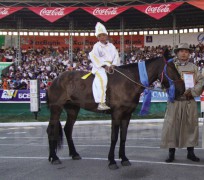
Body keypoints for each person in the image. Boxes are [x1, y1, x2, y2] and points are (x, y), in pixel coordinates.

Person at [160, 43, 204, 163]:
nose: (184, 53)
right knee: (171, 126)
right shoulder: (170, 66)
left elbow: (201, 81)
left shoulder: (194, 67)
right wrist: (169, 91)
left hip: (189, 102)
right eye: (181, 51)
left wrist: (193, 92)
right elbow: (164, 82)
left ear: (189, 54)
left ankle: (191, 153)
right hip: (175, 102)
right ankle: (171, 153)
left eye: (186, 51)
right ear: (177, 53)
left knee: (191, 127)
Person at [89, 22, 120, 110]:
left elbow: (116, 55)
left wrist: (113, 65)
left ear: (106, 36)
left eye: (103, 35)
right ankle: (101, 103)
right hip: (100, 68)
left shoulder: (111, 46)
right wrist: (104, 66)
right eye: (100, 36)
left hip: (111, 66)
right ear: (97, 37)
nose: (102, 37)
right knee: (103, 80)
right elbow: (94, 57)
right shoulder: (96, 46)